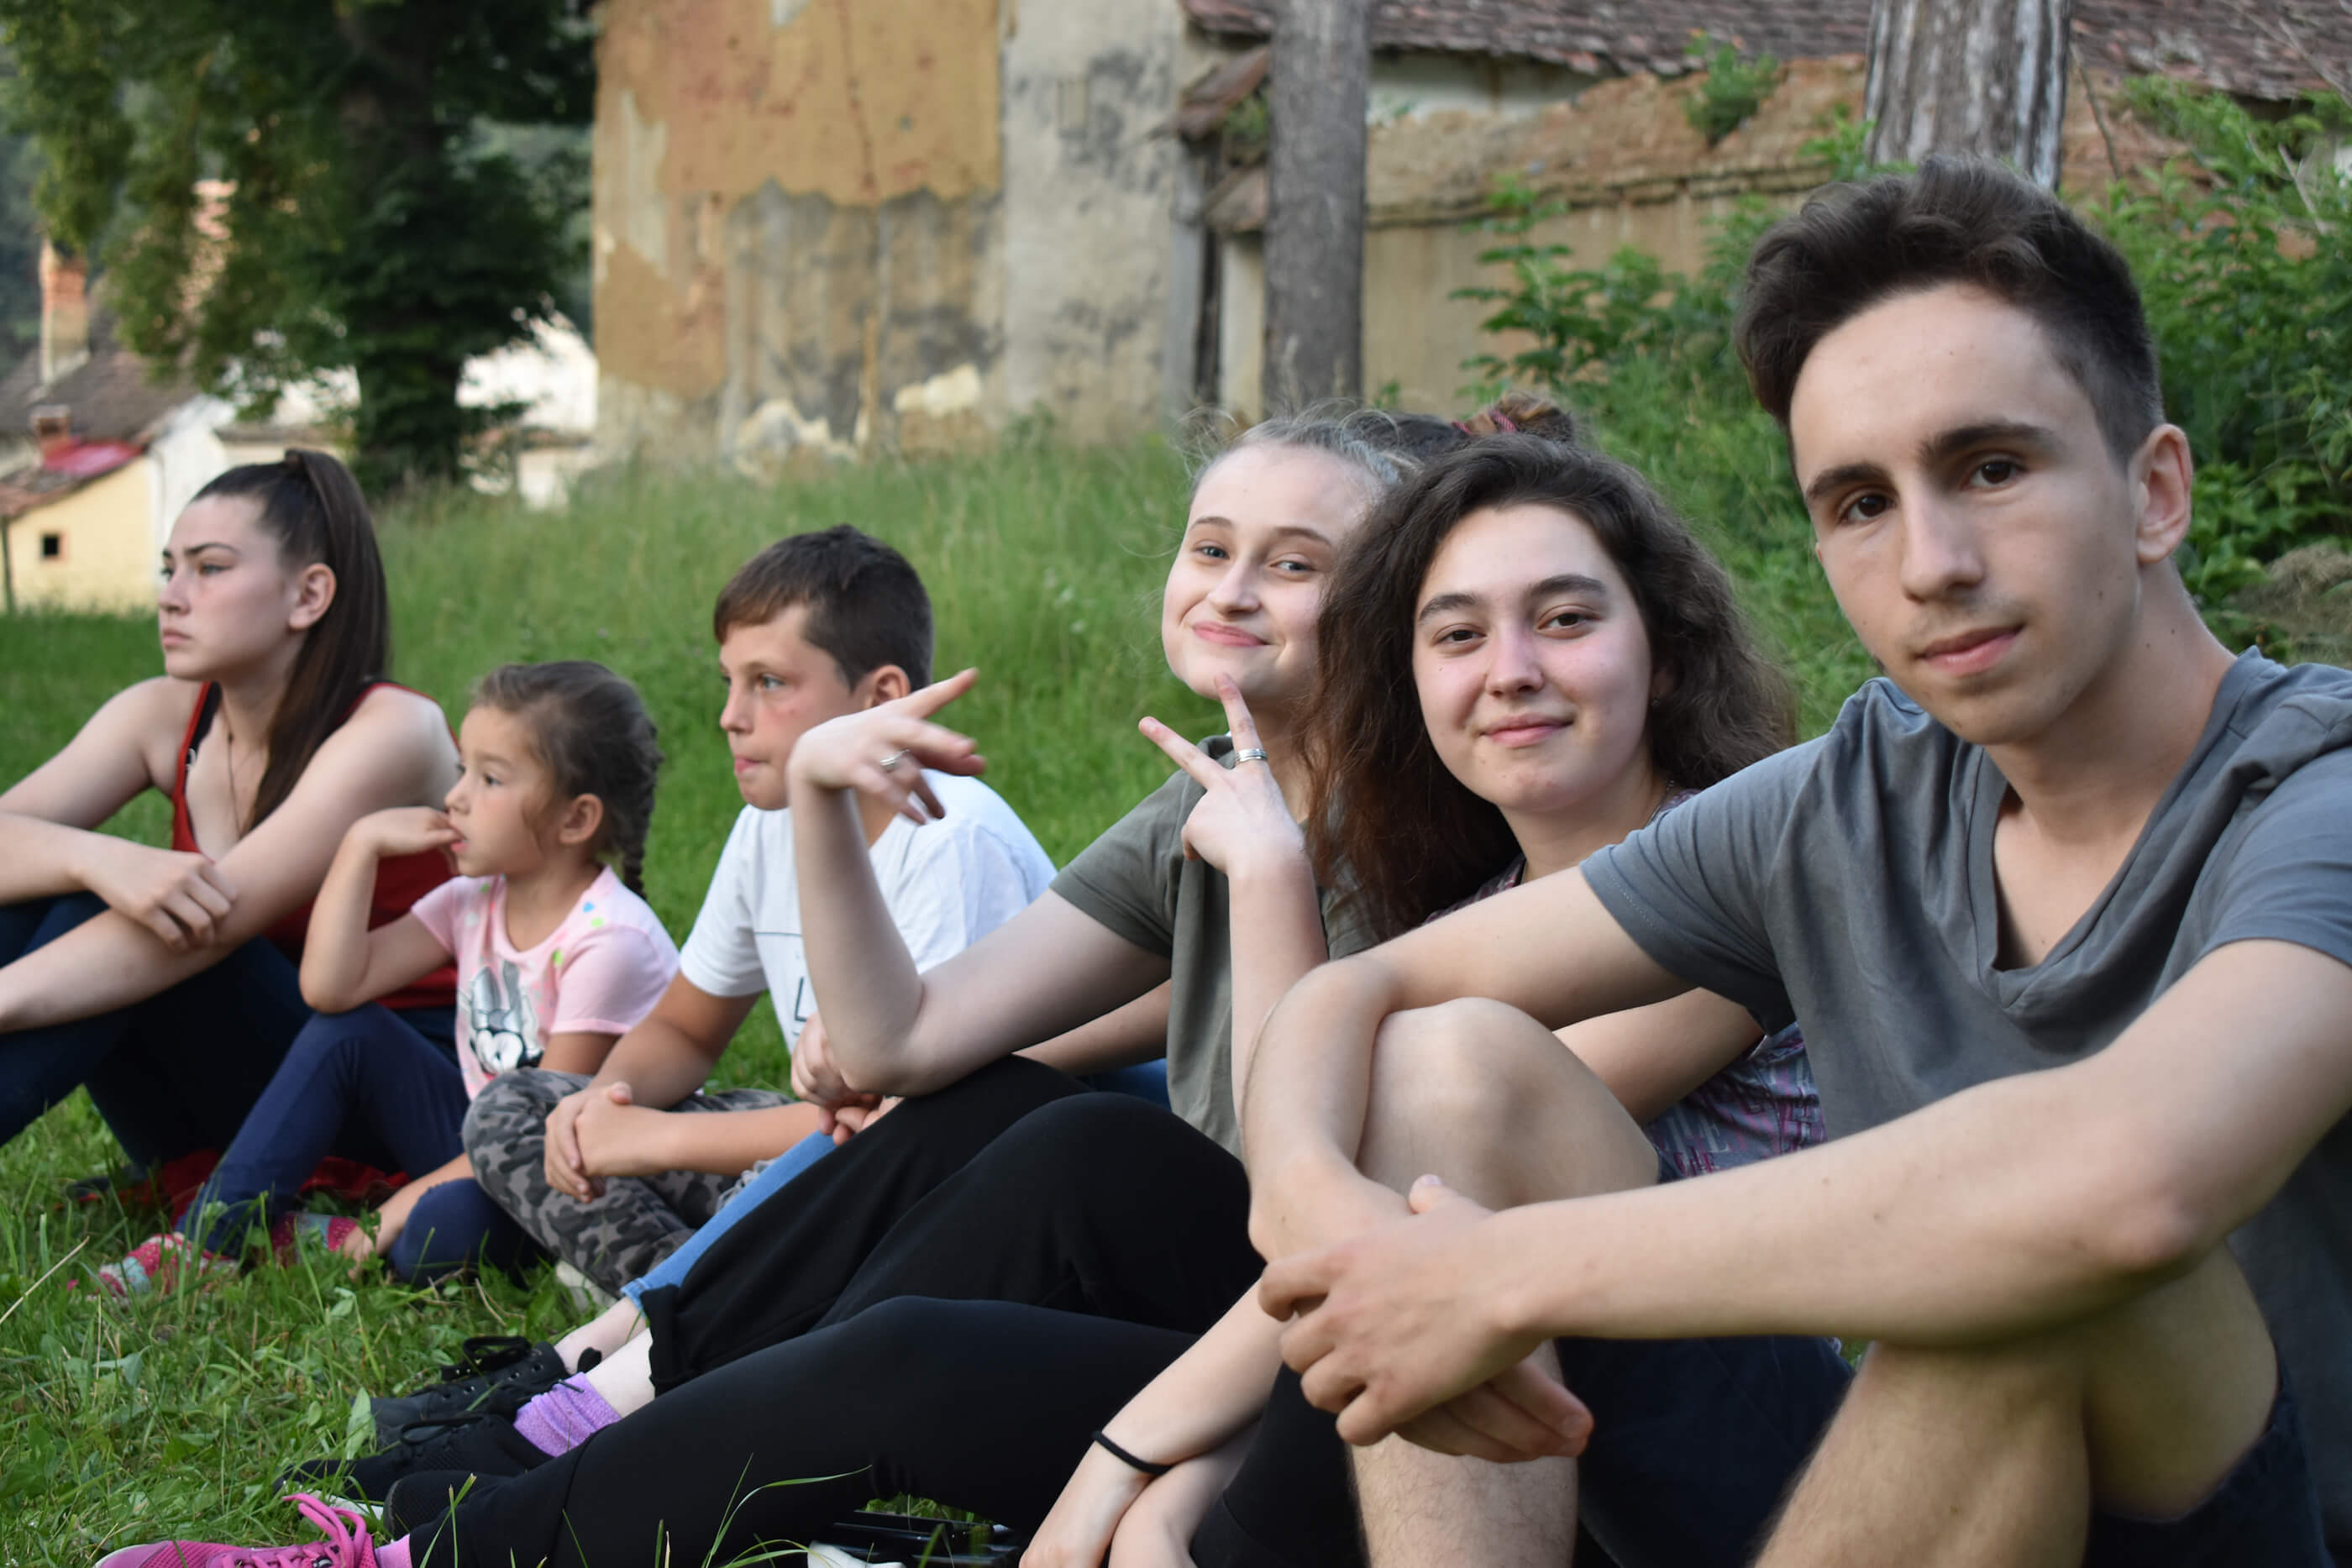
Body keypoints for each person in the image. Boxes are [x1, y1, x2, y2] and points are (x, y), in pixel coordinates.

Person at [110, 420, 1820, 1565]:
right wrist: (822, 807)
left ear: (1656, 637)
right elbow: (909, 1045)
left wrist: (1151, 1449)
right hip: (1365, 1343)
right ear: (1414, 652)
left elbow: (1346, 1197)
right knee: (1031, 1132)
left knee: (948, 1314)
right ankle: (603, 1414)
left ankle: (506, 1512)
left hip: (1562, 1408)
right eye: (1461, 633)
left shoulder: (1688, 885)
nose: (1506, 674)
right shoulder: (1431, 862)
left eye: (1561, 622)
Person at [1238, 157, 2348, 1565]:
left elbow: (2129, 1184)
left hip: (2247, 1521)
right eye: (1861, 502)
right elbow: (1363, 989)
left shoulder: (2318, 796)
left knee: (2026, 1262)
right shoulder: (1851, 795)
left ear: (2155, 491)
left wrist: (1494, 1275)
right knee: (1447, 1062)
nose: (1931, 562)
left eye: (1992, 468)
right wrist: (1305, 1200)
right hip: (1931, 1498)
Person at [454, 526, 1059, 1303]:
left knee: (789, 1182)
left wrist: (658, 1139)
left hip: (933, 1184)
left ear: (880, 699)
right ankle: (701, 1293)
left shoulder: (952, 839)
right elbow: (686, 1028)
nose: (730, 716)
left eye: (768, 682)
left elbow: (915, 1126)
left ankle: (704, 1300)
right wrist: (603, 1106)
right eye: (729, 681)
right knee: (515, 1107)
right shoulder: (767, 826)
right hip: (824, 1140)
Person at [97, 661, 675, 1294]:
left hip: (569, 1174)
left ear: (576, 819)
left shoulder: (607, 943)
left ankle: (336, 1231)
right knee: (351, 1032)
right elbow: (331, 989)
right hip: (485, 1137)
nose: (455, 797)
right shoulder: (476, 899)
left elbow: (541, 1132)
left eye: (489, 779)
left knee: (440, 1234)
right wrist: (359, 846)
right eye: (461, 770)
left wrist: (394, 1213)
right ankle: (209, 1240)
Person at [0, 450, 459, 1170]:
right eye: (168, 569)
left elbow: (217, 923)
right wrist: (92, 855)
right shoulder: (165, 716)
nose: (172, 596)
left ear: (309, 595)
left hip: (387, 1094)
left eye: (210, 568)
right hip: (237, 1102)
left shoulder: (391, 730)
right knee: (56, 888)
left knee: (134, 912)